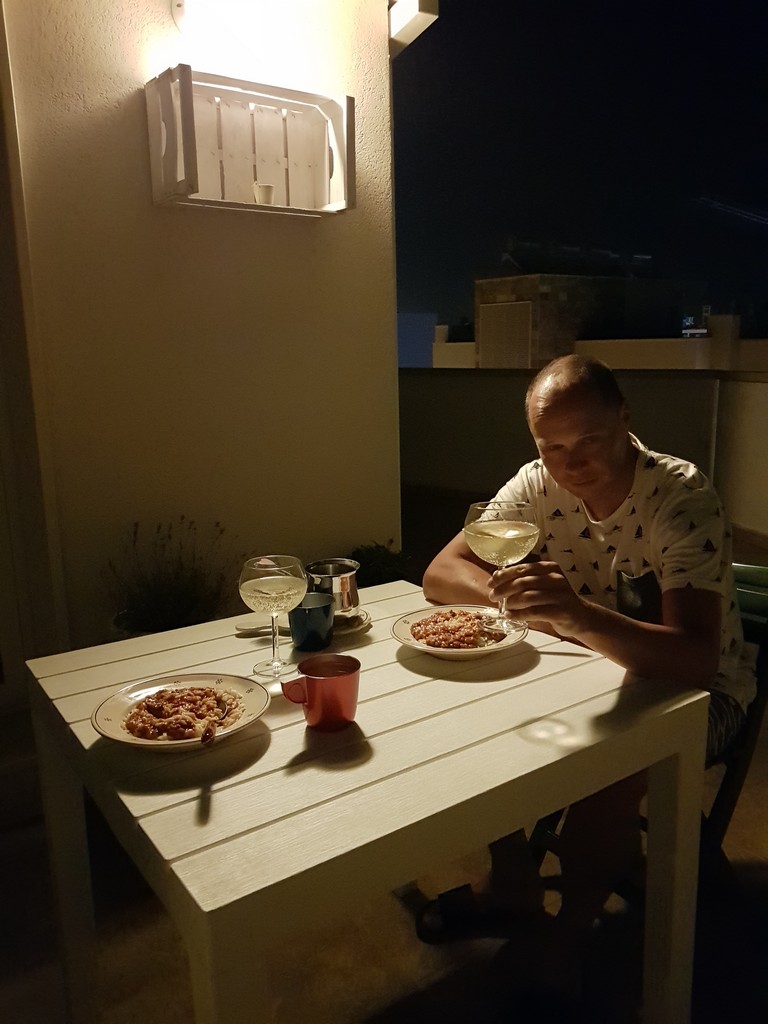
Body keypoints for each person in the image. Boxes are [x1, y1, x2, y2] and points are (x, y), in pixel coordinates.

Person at [418, 353, 757, 997]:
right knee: (472, 722)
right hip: (588, 666)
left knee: (612, 765)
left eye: (589, 440)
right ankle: (512, 881)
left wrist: (574, 615)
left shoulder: (680, 495)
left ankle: (570, 936)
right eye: (552, 447)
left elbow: (695, 659)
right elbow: (442, 572)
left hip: (701, 694)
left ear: (624, 418)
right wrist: (516, 601)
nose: (570, 464)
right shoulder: (535, 484)